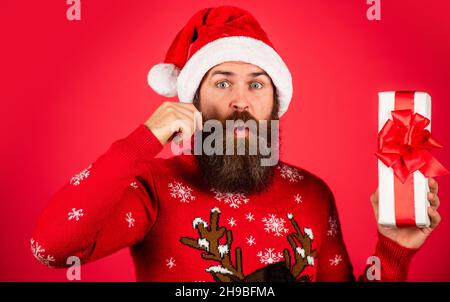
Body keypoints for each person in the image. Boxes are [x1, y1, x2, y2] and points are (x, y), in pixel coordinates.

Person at [31, 6, 441, 282]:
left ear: (275, 105)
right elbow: (51, 247)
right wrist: (143, 140)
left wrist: (394, 249)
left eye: (257, 84)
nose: (240, 101)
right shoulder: (153, 187)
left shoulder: (312, 193)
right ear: (191, 101)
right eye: (222, 82)